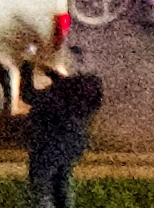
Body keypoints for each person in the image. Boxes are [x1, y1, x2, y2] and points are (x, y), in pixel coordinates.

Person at [17, 42, 100, 208]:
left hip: (50, 143)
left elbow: (28, 95)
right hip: (73, 143)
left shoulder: (54, 97)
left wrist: (26, 66)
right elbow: (66, 85)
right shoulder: (85, 91)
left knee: (42, 185)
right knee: (62, 181)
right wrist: (51, 74)